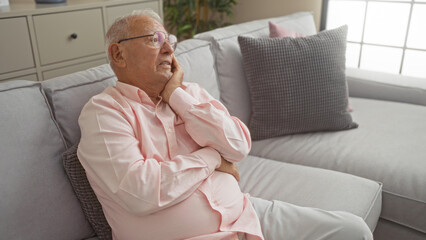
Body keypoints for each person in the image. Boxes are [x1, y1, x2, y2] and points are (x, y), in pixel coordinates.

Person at [77, 9, 374, 240]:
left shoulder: (188, 94)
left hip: (245, 216)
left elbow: (238, 146)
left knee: (353, 230)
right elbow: (141, 192)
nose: (168, 49)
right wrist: (211, 158)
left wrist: (177, 97)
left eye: (170, 41)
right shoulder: (105, 112)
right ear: (118, 54)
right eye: (155, 40)